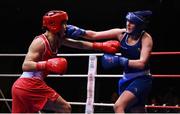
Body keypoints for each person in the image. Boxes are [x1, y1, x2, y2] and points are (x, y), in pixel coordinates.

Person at [11, 10, 120, 113]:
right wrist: (47, 64)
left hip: (21, 87)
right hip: (29, 84)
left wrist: (100, 46)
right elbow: (26, 65)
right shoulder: (40, 42)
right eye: (63, 24)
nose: (66, 27)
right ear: (55, 25)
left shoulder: (58, 40)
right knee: (65, 108)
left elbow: (79, 44)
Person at [66, 10, 153, 113]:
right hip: (126, 78)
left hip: (141, 78)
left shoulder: (146, 39)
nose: (128, 24)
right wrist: (81, 32)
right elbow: (94, 35)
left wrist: (120, 61)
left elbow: (142, 63)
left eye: (132, 22)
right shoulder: (121, 34)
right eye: (127, 21)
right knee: (137, 110)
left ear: (139, 25)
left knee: (118, 106)